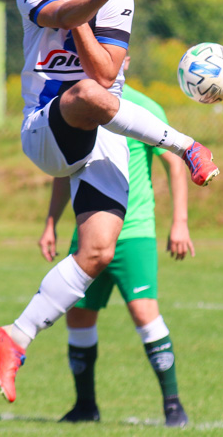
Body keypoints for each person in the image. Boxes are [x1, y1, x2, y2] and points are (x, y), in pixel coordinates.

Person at [0, 0, 218, 404]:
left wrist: (93, 4)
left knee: (96, 252)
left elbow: (107, 72)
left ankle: (15, 336)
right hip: (44, 128)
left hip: (102, 135)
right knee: (87, 96)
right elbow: (59, 13)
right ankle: (186, 144)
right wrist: (86, 3)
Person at [39, 74, 192, 427]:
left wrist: (179, 221)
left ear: (124, 60)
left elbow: (173, 160)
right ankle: (85, 406)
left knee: (144, 313)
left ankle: (173, 406)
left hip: (133, 231)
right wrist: (51, 222)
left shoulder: (144, 105)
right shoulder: (75, 102)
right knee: (77, 316)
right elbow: (64, 169)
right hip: (88, 232)